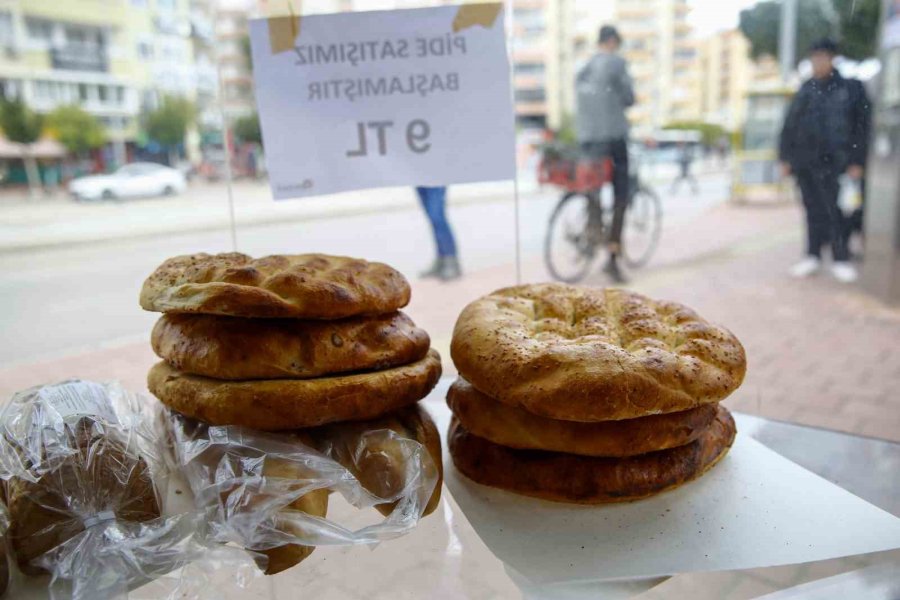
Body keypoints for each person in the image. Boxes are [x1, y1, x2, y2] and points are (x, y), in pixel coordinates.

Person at [779, 38, 871, 283]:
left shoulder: (851, 88)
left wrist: (857, 161)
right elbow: (789, 125)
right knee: (811, 211)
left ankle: (841, 258)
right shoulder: (805, 89)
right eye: (814, 57)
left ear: (832, 59)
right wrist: (785, 158)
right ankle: (812, 256)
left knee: (837, 212)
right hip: (805, 163)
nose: (818, 62)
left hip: (837, 164)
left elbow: (863, 128)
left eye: (823, 57)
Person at [575, 24, 635, 284]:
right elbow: (629, 97)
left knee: (593, 188)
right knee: (621, 194)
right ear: (612, 41)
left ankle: (592, 232)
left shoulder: (583, 69)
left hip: (587, 140)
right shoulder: (616, 63)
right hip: (613, 139)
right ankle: (612, 256)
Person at [417, 186, 461, 281]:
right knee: (431, 216)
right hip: (419, 176)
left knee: (437, 216)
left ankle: (451, 261)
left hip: (435, 178)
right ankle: (441, 260)